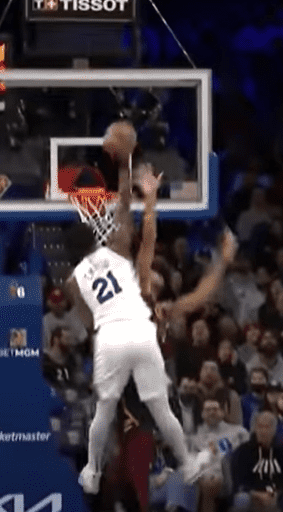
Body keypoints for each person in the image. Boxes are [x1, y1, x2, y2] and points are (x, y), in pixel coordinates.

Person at [64, 120, 237, 494]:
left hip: (122, 358)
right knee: (134, 456)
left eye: (158, 278)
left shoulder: (149, 301)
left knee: (141, 445)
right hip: (131, 368)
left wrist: (132, 175)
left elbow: (197, 296)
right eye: (154, 277)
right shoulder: (138, 284)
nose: (156, 278)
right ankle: (120, 475)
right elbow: (137, 225)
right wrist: (144, 192)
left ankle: (107, 474)